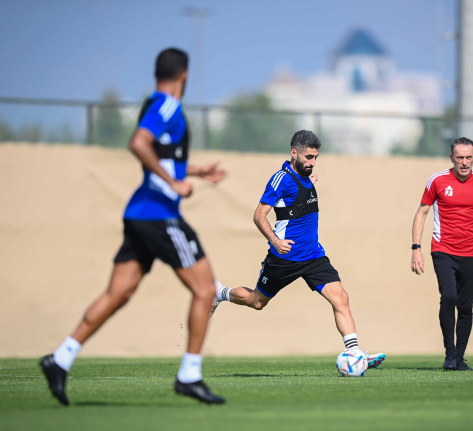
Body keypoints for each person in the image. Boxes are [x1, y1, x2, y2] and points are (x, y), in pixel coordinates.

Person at [40, 48, 227, 405]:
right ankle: (190, 375)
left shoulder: (152, 104)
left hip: (139, 215)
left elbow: (159, 156)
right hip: (159, 215)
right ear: (183, 76)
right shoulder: (168, 106)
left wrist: (196, 171)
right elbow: (138, 144)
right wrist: (173, 185)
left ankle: (60, 359)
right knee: (206, 290)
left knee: (118, 294)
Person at [210, 130, 385, 368]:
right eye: (308, 157)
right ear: (294, 153)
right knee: (256, 301)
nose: (312, 162)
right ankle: (220, 293)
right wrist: (275, 241)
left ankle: (354, 353)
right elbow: (258, 215)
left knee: (341, 298)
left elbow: (299, 203)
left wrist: (307, 187)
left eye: (316, 157)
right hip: (285, 258)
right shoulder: (280, 179)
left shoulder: (306, 177)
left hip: (314, 255)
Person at [410, 137, 473, 371]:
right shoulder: (437, 181)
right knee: (448, 297)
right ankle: (450, 354)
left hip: (471, 254)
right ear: (451, 158)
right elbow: (421, 213)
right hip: (443, 250)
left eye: (468, 157)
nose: (464, 162)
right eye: (460, 158)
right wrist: (416, 248)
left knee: (465, 306)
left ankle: (460, 358)